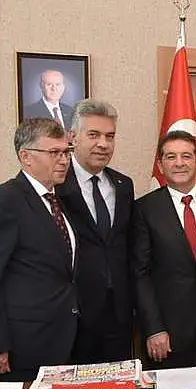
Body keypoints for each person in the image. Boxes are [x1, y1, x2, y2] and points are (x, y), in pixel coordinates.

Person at [0, 119, 78, 382]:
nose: (64, 160)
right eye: (54, 153)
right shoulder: (5, 200)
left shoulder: (58, 201)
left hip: (59, 339)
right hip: (19, 345)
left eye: (66, 152)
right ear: (26, 157)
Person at [132, 130, 196, 369]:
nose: (179, 163)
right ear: (161, 165)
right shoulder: (144, 209)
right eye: (171, 157)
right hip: (168, 335)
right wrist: (154, 328)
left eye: (186, 156)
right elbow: (140, 274)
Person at [56, 99, 134, 363]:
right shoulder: (55, 184)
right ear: (72, 137)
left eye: (109, 136)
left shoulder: (123, 185)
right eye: (94, 135)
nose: (103, 144)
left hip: (118, 317)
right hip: (72, 315)